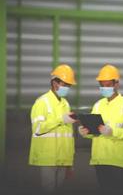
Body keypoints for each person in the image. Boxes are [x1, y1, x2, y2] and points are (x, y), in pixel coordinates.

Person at [78, 64, 123, 195]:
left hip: (117, 161)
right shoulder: (98, 105)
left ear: (116, 84)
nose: (104, 87)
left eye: (107, 84)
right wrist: (86, 132)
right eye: (102, 84)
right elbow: (95, 132)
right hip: (100, 159)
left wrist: (112, 132)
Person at [29, 64, 78, 194]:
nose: (66, 87)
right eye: (64, 84)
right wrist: (60, 119)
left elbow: (68, 135)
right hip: (48, 157)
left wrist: (70, 162)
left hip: (62, 158)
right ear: (54, 82)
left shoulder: (65, 103)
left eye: (69, 85)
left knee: (59, 190)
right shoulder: (42, 102)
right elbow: (37, 128)